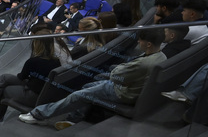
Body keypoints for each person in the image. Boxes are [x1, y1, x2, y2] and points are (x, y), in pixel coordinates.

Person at [20, 29, 165, 126]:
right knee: (88, 86)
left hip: (122, 92)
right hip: (130, 86)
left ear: (148, 44)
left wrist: (118, 69)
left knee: (78, 95)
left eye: (140, 41)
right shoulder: (161, 56)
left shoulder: (144, 63)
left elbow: (116, 75)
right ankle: (73, 118)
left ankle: (38, 114)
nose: (138, 42)